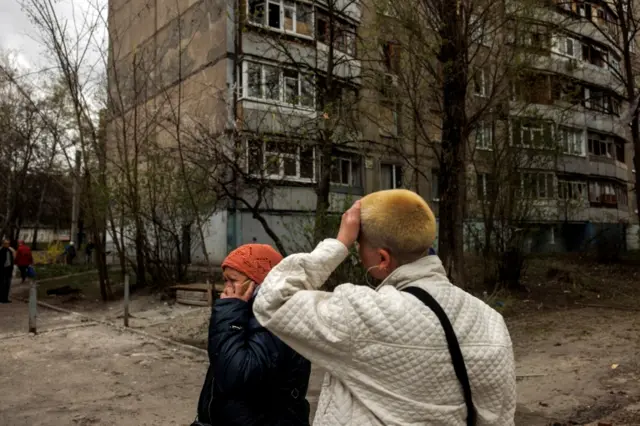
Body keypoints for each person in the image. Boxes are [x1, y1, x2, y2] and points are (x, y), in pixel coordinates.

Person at [254, 189, 516, 425]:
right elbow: (499, 418)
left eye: (359, 246)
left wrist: (338, 244)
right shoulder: (490, 320)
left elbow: (274, 299)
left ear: (382, 259)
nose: (356, 251)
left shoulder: (365, 314)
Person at [193, 244, 311, 426]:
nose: (226, 288)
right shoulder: (247, 312)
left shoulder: (275, 319)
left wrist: (229, 313)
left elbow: (237, 375)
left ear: (259, 281)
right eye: (225, 280)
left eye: (233, 280)